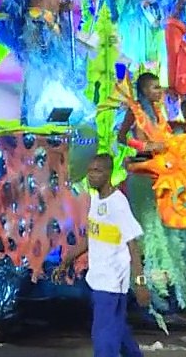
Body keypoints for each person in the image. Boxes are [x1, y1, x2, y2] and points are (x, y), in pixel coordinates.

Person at [57, 153, 148, 357]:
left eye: (97, 171)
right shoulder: (97, 200)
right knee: (118, 331)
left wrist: (140, 282)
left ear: (108, 174)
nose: (91, 175)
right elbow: (92, 237)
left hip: (112, 283)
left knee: (103, 337)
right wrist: (66, 260)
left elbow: (133, 245)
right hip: (98, 280)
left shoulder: (118, 203)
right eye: (90, 171)